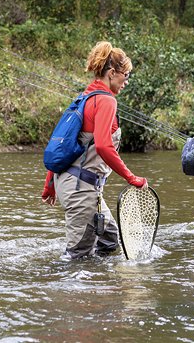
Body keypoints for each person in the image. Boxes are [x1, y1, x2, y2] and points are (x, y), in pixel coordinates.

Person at [41, 41, 148, 259]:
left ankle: (99, 288)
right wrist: (131, 177)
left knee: (109, 238)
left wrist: (50, 184)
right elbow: (103, 145)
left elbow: (62, 144)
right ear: (111, 73)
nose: (126, 81)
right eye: (125, 75)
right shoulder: (106, 100)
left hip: (71, 183)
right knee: (77, 256)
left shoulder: (84, 97)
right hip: (81, 189)